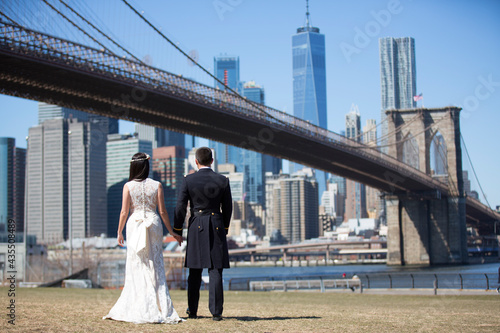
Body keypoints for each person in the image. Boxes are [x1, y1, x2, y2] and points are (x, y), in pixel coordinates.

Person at [103, 152, 184, 324]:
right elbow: (162, 211)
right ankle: (160, 306)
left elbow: (124, 211)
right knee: (155, 263)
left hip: (135, 223)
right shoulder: (157, 185)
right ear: (146, 166)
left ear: (133, 166)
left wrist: (119, 232)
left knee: (137, 263)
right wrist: (171, 231)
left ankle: (139, 305)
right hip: (153, 224)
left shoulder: (128, 186)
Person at [174, 147, 232, 321]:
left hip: (196, 224)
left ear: (196, 162)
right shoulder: (223, 180)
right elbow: (228, 208)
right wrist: (225, 228)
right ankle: (216, 313)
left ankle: (192, 311)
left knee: (195, 269)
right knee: (215, 269)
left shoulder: (188, 180)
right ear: (212, 161)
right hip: (216, 224)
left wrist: (178, 230)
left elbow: (180, 207)